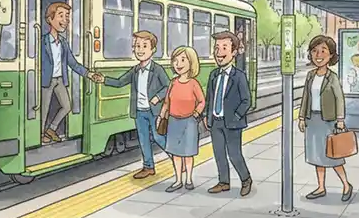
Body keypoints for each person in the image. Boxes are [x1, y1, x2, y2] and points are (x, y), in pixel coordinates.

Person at [92, 31, 169, 179]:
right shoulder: (135, 70)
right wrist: (103, 80)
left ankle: (177, 158)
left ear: (153, 50)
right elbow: (120, 82)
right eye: (136, 46)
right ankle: (148, 167)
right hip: (139, 111)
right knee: (143, 139)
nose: (139, 50)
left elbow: (168, 86)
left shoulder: (157, 69)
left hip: (154, 111)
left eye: (144, 46)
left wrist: (157, 98)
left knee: (159, 138)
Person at [298, 35, 353, 201]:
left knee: (333, 156)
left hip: (328, 121)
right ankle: (321, 187)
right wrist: (301, 117)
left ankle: (346, 184)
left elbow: (339, 98)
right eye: (314, 51)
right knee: (316, 156)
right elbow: (306, 96)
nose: (318, 55)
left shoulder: (332, 77)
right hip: (312, 120)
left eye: (323, 51)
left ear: (331, 56)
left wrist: (340, 119)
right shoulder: (310, 75)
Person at [40, 2, 101, 144]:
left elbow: (72, 63)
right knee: (43, 110)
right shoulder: (42, 41)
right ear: (50, 19)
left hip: (60, 79)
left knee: (67, 106)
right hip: (46, 80)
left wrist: (89, 74)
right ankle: (42, 134)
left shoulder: (63, 42)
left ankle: (51, 129)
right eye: (61, 16)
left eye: (67, 16)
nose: (65, 20)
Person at [204, 31, 253, 197]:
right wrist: (207, 116)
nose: (219, 52)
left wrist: (237, 116)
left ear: (233, 52)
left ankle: (246, 179)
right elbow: (209, 97)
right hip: (216, 121)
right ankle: (223, 182)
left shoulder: (239, 76)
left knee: (234, 154)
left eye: (224, 47)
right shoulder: (213, 75)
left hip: (232, 123)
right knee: (219, 153)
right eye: (217, 48)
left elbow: (247, 100)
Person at [159, 45, 205, 192]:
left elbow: (202, 101)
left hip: (189, 122)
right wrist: (161, 115)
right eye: (176, 60)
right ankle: (178, 180)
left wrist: (196, 114)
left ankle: (189, 179)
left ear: (191, 63)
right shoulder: (173, 83)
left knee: (188, 153)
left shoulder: (193, 84)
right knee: (176, 153)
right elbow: (167, 101)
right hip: (173, 121)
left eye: (183, 60)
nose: (178, 64)